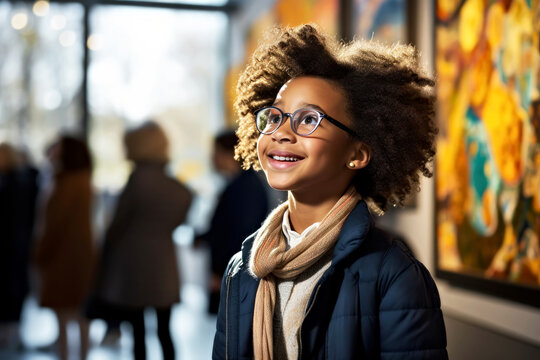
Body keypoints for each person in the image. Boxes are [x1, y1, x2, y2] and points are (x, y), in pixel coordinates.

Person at [212, 24, 448, 359]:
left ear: (357, 154)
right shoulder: (241, 269)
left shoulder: (393, 273)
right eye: (274, 117)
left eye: (308, 120)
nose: (281, 132)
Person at [94, 121, 193, 360]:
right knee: (164, 331)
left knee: (138, 333)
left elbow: (118, 225)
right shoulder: (175, 186)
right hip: (164, 265)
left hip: (135, 266)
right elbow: (185, 204)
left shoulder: (137, 180)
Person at [33, 135, 95, 360]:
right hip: (79, 256)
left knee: (66, 315)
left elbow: (53, 225)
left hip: (63, 257)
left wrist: (39, 254)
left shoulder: (65, 183)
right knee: (79, 315)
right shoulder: (82, 180)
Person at [196, 130, 270, 314]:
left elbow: (240, 234)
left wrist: (220, 270)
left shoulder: (244, 187)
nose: (212, 158)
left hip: (236, 274)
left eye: (215, 152)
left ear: (230, 153)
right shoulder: (240, 184)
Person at [0, 144, 39, 349]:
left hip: (14, 244)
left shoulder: (19, 182)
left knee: (13, 287)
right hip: (16, 243)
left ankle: (12, 331)